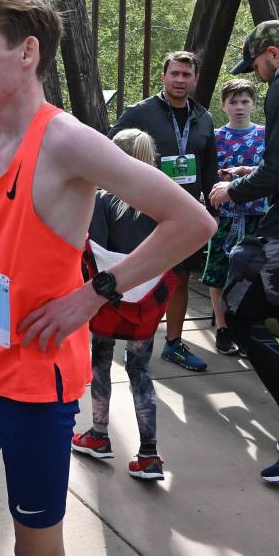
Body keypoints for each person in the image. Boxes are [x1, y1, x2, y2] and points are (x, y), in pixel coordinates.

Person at [0, 0, 213, 556]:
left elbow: (192, 220)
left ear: (27, 52)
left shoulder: (66, 140)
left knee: (37, 539)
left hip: (37, 380)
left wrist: (96, 294)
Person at [71, 129, 173, 480]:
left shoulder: (103, 200)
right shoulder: (163, 198)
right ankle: (149, 454)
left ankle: (99, 435)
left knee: (101, 362)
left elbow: (94, 250)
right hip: (148, 300)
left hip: (109, 299)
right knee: (141, 371)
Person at [109, 51, 219, 372]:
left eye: (187, 75)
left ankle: (173, 344)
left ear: (195, 79)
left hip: (185, 214)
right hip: (146, 212)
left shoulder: (204, 119)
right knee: (144, 282)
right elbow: (109, 148)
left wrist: (213, 211)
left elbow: (209, 171)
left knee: (179, 280)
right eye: (175, 74)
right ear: (164, 77)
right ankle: (137, 343)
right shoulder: (140, 113)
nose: (180, 80)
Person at [209, 21, 279, 484]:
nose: (255, 74)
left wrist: (232, 189)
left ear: (274, 53)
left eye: (257, 63)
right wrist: (253, 168)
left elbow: (278, 170)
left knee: (240, 311)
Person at [200, 78, 267, 356]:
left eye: (244, 101)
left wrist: (244, 171)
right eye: (233, 101)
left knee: (255, 274)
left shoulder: (266, 134)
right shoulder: (215, 137)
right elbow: (206, 171)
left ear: (254, 103)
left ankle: (251, 325)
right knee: (218, 270)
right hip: (223, 214)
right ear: (223, 104)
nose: (239, 107)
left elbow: (271, 170)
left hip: (257, 214)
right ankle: (223, 326)